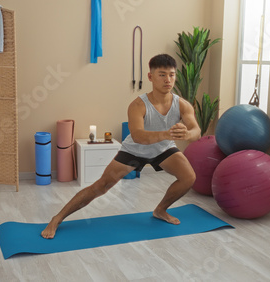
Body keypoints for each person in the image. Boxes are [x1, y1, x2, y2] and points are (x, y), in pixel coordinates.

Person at [41, 54, 201, 239]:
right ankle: (57, 218)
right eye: (162, 75)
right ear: (150, 77)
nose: (168, 80)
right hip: (135, 151)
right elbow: (138, 136)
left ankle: (160, 210)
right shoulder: (138, 105)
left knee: (188, 177)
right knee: (101, 186)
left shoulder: (182, 104)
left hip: (163, 149)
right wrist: (167, 134)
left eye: (172, 75)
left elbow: (196, 130)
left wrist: (187, 134)